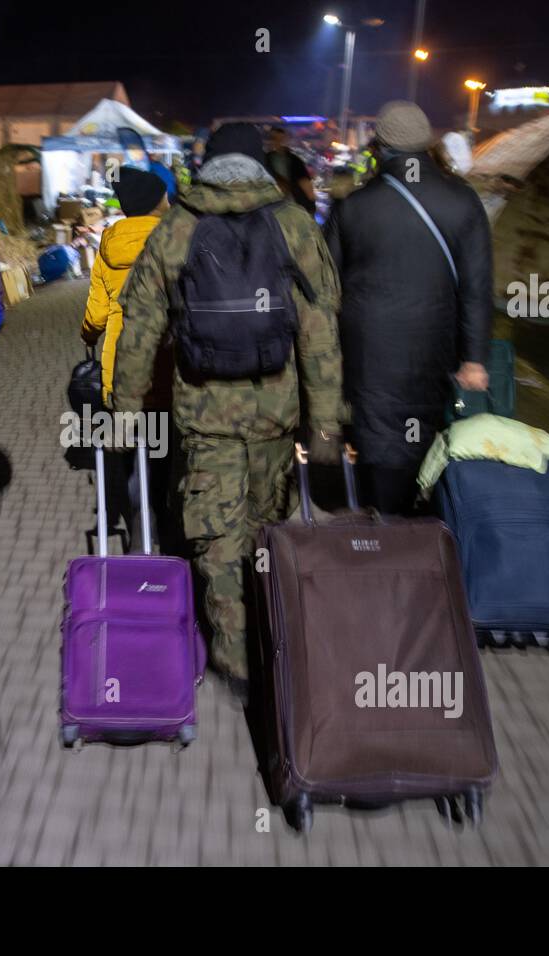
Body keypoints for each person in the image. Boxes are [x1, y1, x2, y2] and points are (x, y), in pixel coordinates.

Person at [113, 123, 346, 699]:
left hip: (206, 416)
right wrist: (325, 423)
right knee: (268, 526)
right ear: (261, 164)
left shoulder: (176, 228)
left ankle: (236, 659)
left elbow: (139, 327)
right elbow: (320, 334)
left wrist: (123, 409)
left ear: (207, 164)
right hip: (276, 415)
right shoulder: (293, 224)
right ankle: (277, 640)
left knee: (216, 536)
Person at [323, 101, 492, 515]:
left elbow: (326, 286)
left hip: (367, 344)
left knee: (375, 424)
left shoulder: (353, 207)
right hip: (434, 342)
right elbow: (476, 286)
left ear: (379, 147)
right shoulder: (463, 202)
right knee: (423, 423)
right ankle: (412, 511)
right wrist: (474, 358)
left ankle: (379, 512)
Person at [79, 165, 176, 551]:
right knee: (164, 450)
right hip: (166, 360)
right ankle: (164, 527)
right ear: (157, 202)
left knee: (133, 444)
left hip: (119, 366)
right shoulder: (176, 239)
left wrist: (87, 336)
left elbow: (96, 315)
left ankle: (140, 523)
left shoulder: (108, 244)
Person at [265, 126, 316, 216]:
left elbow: (306, 185)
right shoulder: (266, 160)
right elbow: (307, 187)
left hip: (291, 208)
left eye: (281, 139)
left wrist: (311, 207)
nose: (278, 143)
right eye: (274, 139)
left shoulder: (295, 161)